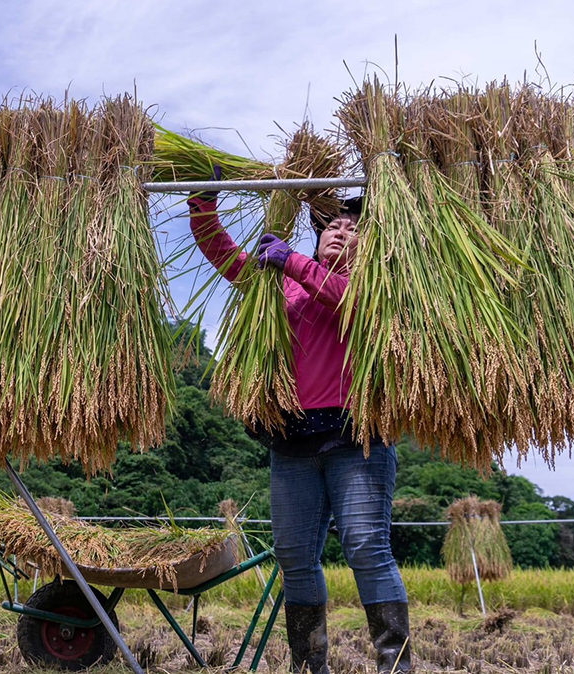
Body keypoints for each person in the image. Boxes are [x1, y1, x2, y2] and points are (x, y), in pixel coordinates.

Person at [187, 185, 411, 674]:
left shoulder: (375, 287)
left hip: (358, 440)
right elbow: (224, 255)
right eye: (333, 225)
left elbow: (346, 300)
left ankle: (395, 666)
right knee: (294, 556)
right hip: (292, 441)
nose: (341, 231)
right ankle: (310, 666)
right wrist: (204, 204)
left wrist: (292, 261)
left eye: (354, 229)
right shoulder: (284, 284)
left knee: (366, 547)